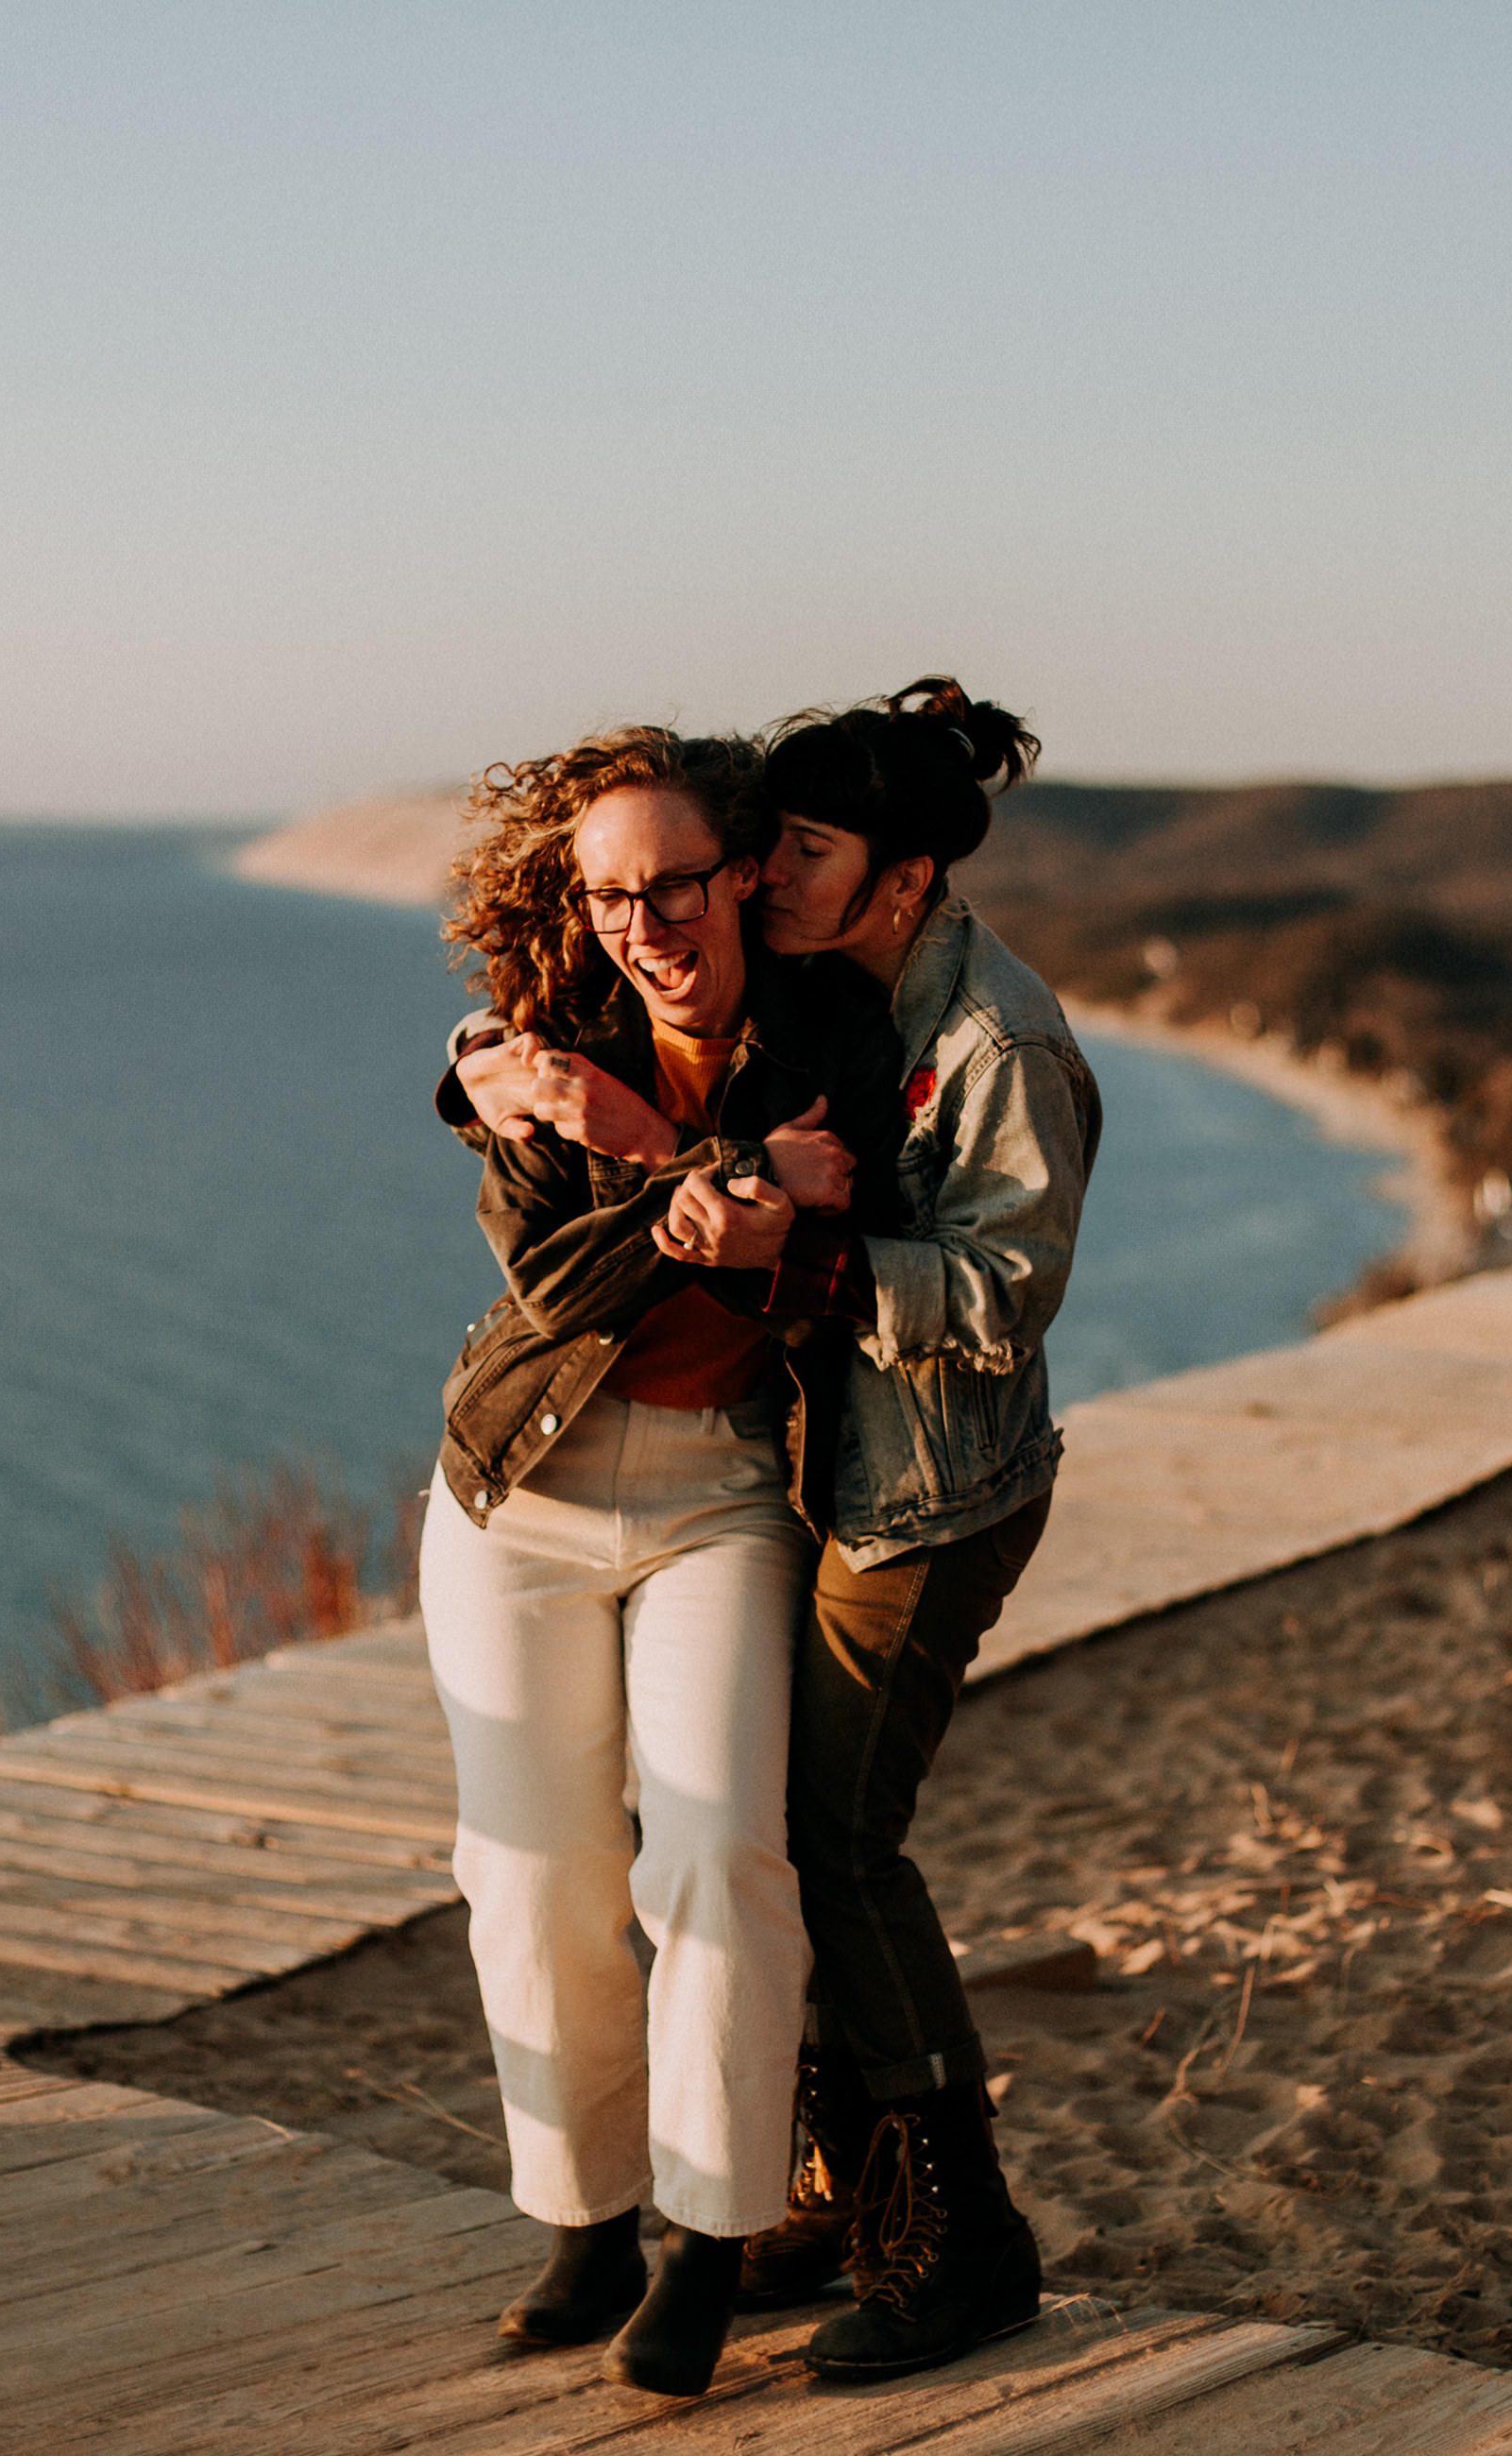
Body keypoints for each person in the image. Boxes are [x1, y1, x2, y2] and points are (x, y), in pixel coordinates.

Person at [453, 678, 1099, 2384]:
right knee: (762, 1842)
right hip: (809, 1475)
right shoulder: (835, 984)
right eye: (771, 846)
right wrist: (491, 1073)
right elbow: (551, 1095)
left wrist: (777, 1251)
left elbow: (1003, 1297)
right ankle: (811, 2191)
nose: (760, 879)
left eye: (796, 852)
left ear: (895, 876)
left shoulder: (991, 1041)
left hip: (922, 1499)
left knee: (822, 1842)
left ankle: (965, 2240)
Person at [420, 721, 899, 2398]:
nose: (646, 924)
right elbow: (560, 1276)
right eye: (611, 895)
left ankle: (710, 2236)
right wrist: (713, 1173)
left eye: (676, 885)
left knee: (714, 1855)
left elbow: (853, 1248)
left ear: (744, 870)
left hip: (721, 1489)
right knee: (530, 1869)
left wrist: (783, 1226)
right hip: (521, 1482)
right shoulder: (545, 1040)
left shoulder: (834, 1020)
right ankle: (584, 2219)